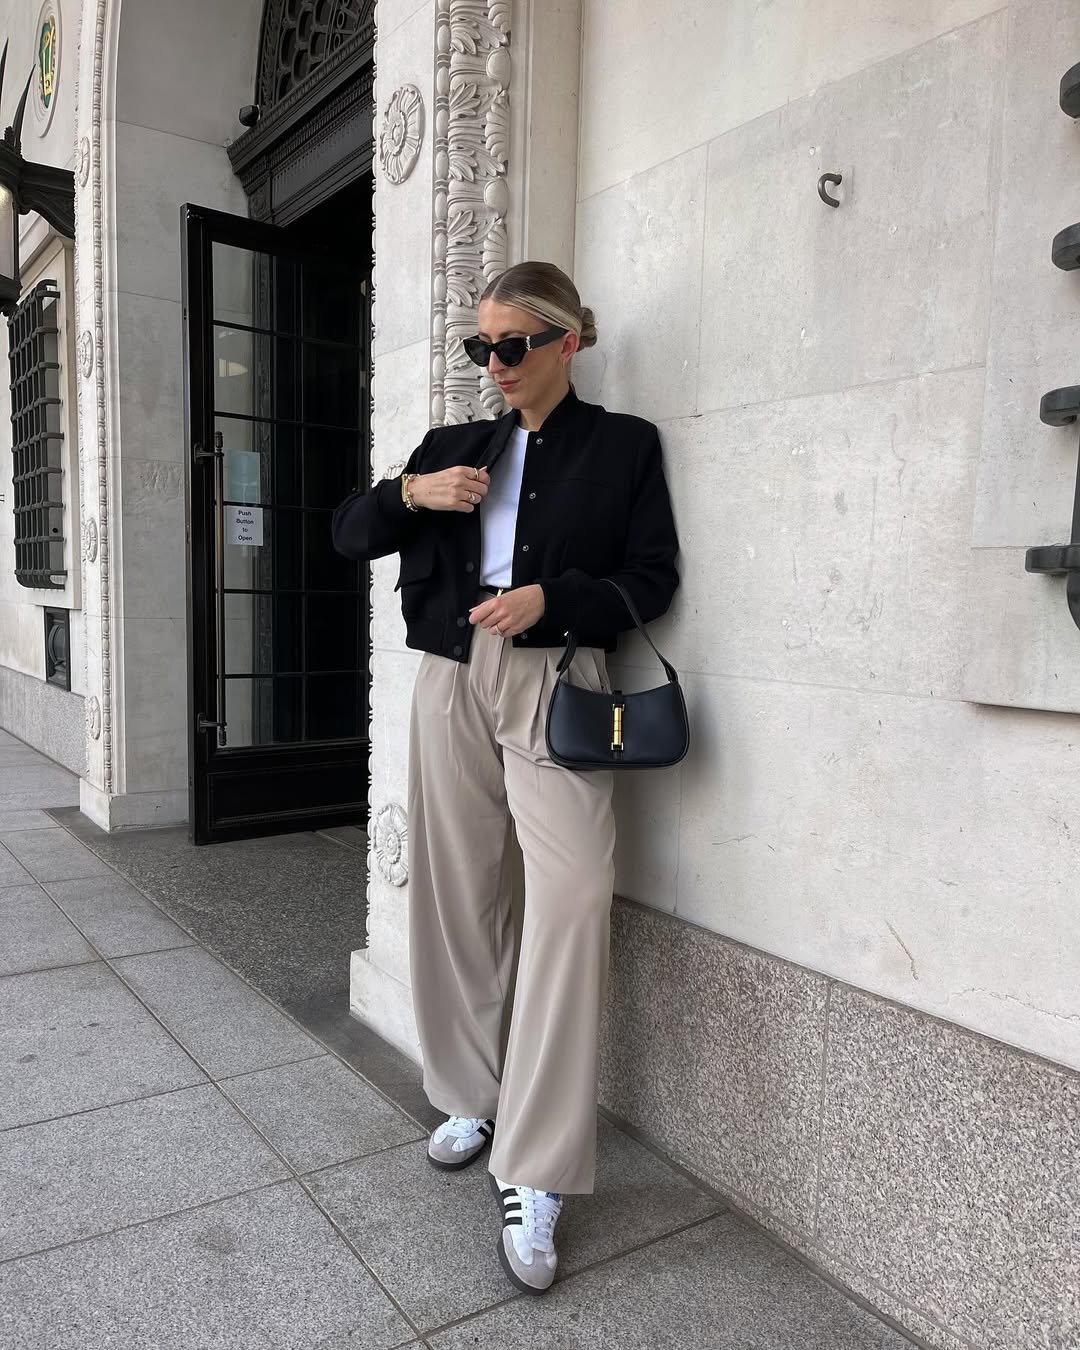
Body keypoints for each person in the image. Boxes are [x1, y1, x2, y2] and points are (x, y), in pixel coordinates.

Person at [332, 260, 679, 1295]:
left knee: (572, 896)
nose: (496, 364)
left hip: (560, 678)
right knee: (459, 893)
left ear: (567, 342)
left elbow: (654, 579)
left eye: (514, 346)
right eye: (481, 347)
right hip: (451, 678)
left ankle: (539, 1166)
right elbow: (350, 533)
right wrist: (411, 493)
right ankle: (472, 1095)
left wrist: (553, 600)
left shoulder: (623, 446)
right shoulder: (452, 447)